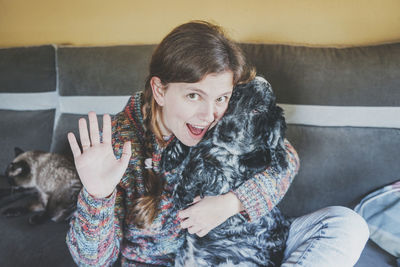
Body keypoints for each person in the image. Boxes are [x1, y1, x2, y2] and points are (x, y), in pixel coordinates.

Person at [66, 20, 369, 266]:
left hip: (259, 244)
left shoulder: (229, 113)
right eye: (193, 95)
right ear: (160, 90)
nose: (208, 115)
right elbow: (93, 261)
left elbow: (286, 160)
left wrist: (232, 203)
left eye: (220, 97)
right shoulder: (118, 145)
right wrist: (97, 196)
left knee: (346, 224)